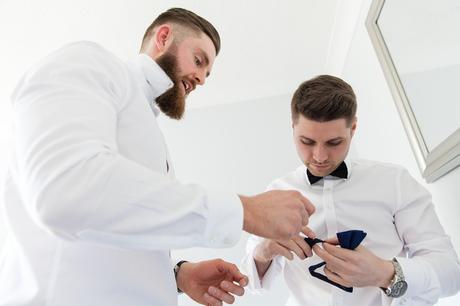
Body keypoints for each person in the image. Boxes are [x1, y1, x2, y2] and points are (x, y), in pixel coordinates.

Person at [0, 8, 316, 306]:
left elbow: (114, 229)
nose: (202, 78)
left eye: (208, 72)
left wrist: (176, 275)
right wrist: (245, 211)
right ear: (163, 37)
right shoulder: (88, 62)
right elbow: (66, 190)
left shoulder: (147, 133)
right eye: (199, 59)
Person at [242, 75, 460, 306]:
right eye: (307, 141)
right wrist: (263, 252)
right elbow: (250, 281)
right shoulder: (276, 192)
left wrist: (385, 273)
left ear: (353, 128)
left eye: (334, 143)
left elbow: (451, 274)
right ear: (292, 127)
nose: (319, 157)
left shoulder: (395, 182)